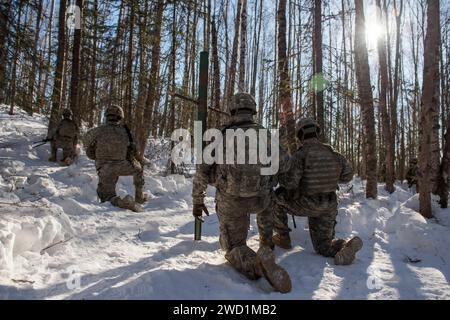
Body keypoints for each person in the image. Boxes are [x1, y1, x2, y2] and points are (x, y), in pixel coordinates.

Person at [192, 93, 292, 293]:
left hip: (232, 202)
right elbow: (286, 163)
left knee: (233, 248)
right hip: (262, 199)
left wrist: (197, 200)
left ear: (232, 111)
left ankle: (257, 265)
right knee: (268, 197)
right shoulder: (264, 134)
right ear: (253, 111)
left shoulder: (220, 135)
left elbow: (202, 170)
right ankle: (266, 243)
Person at [272, 118, 363, 266]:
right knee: (323, 247)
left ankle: (283, 237)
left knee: (274, 198)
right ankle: (344, 247)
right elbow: (347, 176)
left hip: (307, 203)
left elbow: (290, 183)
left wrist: (281, 175)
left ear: (300, 135)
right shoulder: (333, 153)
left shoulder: (300, 155)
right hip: (329, 205)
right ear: (317, 132)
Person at [84, 105, 146, 212]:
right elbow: (135, 150)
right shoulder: (126, 132)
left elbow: (86, 144)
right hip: (122, 166)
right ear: (120, 117)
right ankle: (139, 196)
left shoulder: (97, 131)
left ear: (106, 116)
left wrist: (96, 155)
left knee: (106, 197)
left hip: (104, 167)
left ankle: (119, 202)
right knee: (138, 169)